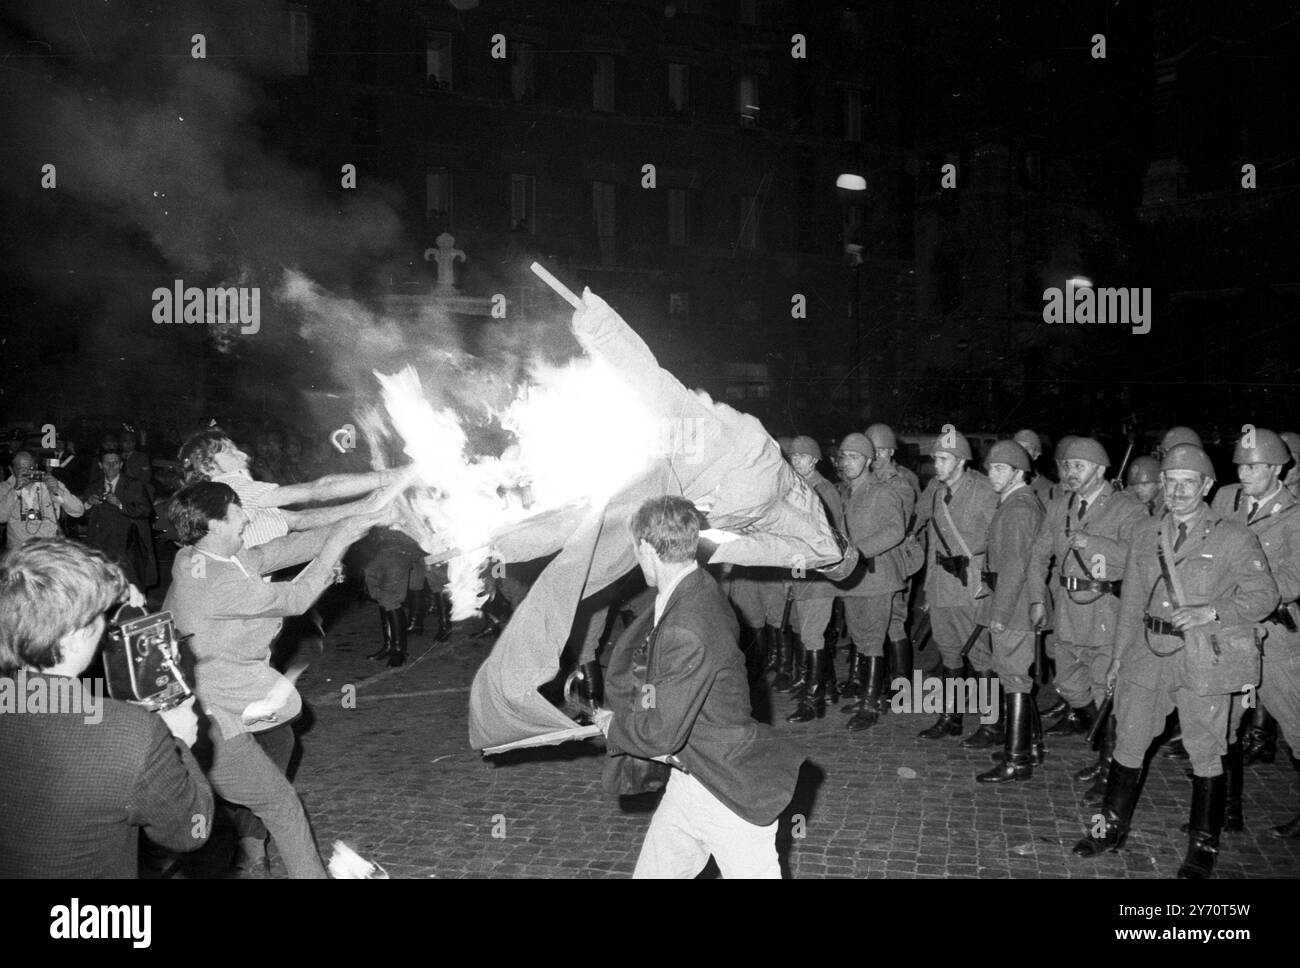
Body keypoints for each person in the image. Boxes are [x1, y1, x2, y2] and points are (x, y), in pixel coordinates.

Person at [164, 481, 396, 878]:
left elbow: (277, 551)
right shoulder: (218, 581)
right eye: (238, 512)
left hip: (221, 698)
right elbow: (296, 599)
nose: (247, 518)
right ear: (216, 524)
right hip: (212, 717)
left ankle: (236, 838)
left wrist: (362, 523)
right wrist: (337, 544)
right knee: (280, 803)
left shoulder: (198, 557)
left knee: (281, 733)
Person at [1074, 444, 1277, 878]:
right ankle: (1107, 828)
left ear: (1206, 486)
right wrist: (1118, 658)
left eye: (1188, 482)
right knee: (1128, 741)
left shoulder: (1234, 536)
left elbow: (1265, 595)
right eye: (1171, 481)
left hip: (1202, 658)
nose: (1178, 490)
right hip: (1147, 653)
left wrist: (1212, 610)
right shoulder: (1147, 533)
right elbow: (1131, 602)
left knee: (1206, 750)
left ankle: (1203, 845)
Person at [595, 496, 805, 878]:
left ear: (645, 547)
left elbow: (661, 734)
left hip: (726, 791)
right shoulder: (695, 587)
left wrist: (612, 725)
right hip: (690, 779)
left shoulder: (687, 621)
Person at [0, 538, 213, 878]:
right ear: (75, 637)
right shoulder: (134, 733)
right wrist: (179, 743)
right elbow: (193, 831)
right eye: (100, 618)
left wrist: (111, 594)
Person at [1026, 437, 1145, 804]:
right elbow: (1038, 555)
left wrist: (1092, 543)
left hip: (1105, 613)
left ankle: (1110, 766)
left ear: (1100, 469)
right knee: (1069, 686)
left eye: (1078, 466)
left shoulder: (1127, 508)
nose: (1070, 472)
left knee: (1105, 693)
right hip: (1066, 613)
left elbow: (1139, 560)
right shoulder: (1060, 505)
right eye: (1067, 465)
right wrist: (1037, 598)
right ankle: (1103, 746)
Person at [1211, 428, 1300, 836]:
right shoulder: (1225, 499)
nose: (1244, 474)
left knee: (1296, 724)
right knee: (1226, 719)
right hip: (1232, 636)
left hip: (1275, 637)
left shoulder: (1295, 513)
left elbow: (1293, 578)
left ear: (1277, 468)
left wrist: (1241, 589)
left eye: (1254, 467)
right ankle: (1227, 811)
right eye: (1241, 466)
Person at [178, 428, 412, 549]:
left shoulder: (229, 497)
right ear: (207, 466)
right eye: (229, 451)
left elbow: (302, 520)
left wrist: (369, 506)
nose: (244, 455)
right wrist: (396, 475)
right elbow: (319, 490)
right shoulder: (230, 486)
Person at [914, 427, 998, 740]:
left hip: (969, 586)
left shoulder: (984, 490)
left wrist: (987, 582)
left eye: (944, 459)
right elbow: (931, 539)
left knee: (980, 656)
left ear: (961, 461)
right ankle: (951, 718)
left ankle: (991, 724)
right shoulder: (935, 490)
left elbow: (997, 540)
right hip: (941, 587)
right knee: (948, 653)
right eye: (935, 458)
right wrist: (927, 588)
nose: (937, 464)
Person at [975, 442, 1047, 782]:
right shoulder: (1015, 503)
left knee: (1013, 678)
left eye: (1000, 469)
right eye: (991, 468)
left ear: (1019, 472)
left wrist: (1000, 614)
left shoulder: (1019, 509)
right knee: (1014, 675)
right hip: (1009, 598)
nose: (992, 474)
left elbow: (1017, 566)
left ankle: (1016, 760)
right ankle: (1028, 745)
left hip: (1014, 606)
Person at [830, 433, 909, 731]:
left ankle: (870, 705)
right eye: (844, 457)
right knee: (861, 638)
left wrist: (858, 552)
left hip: (878, 577)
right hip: (854, 578)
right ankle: (867, 692)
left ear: (868, 461)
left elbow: (895, 530)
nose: (848, 463)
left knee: (874, 639)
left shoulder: (881, 491)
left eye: (855, 457)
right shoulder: (846, 492)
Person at [786, 435, 849, 722]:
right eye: (793, 456)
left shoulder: (825, 490)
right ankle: (829, 688)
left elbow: (835, 535)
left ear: (814, 460)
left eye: (802, 457)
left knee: (812, 635)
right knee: (808, 631)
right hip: (801, 572)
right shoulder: (797, 488)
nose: (796, 460)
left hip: (821, 575)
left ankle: (813, 702)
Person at [864, 422, 920, 701]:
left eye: (873, 451)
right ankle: (883, 679)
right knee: (875, 621)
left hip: (895, 559)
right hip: (875, 559)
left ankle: (902, 688)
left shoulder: (901, 483)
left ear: (886, 452)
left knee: (895, 620)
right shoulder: (871, 480)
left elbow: (896, 525)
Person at [83, 450, 152, 588]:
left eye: (115, 462)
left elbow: (146, 511)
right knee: (102, 584)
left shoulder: (134, 484)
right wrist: (89, 503)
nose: (111, 466)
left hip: (126, 543)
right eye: (107, 463)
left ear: (121, 465)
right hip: (100, 543)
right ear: (100, 465)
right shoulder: (94, 486)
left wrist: (120, 504)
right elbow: (80, 513)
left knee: (130, 584)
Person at [0, 450, 85, 548]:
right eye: (21, 469)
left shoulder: (48, 483)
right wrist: (15, 490)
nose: (27, 472)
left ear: (36, 466)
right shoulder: (4, 488)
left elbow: (78, 511)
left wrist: (57, 491)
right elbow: (1, 518)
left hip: (49, 547)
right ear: (11, 470)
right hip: (18, 550)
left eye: (30, 467)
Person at [1014, 429, 1053, 502]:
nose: (1022, 452)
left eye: (1027, 448)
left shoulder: (1049, 489)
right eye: (1018, 447)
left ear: (1036, 454)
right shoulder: (1002, 484)